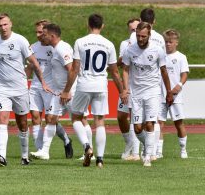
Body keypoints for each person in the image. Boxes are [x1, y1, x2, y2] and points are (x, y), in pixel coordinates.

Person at [0, 13, 51, 167]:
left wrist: (43, 82)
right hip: (1, 89)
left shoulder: (20, 40)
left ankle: (24, 156)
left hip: (20, 89)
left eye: (5, 24)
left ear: (11, 24)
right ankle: (2, 156)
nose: (3, 28)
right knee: (2, 120)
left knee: (22, 124)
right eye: (0, 26)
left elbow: (35, 63)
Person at [60, 14, 127, 168]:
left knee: (76, 117)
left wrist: (66, 90)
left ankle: (86, 146)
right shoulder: (108, 44)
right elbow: (115, 72)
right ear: (102, 26)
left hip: (84, 85)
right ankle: (100, 159)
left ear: (88, 24)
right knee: (100, 121)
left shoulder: (80, 42)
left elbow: (75, 69)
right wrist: (122, 91)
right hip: (101, 85)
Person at [122, 22, 173, 167]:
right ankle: (149, 146)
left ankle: (148, 156)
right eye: (138, 35)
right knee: (138, 128)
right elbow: (125, 69)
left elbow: (164, 71)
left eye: (143, 36)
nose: (140, 38)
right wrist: (125, 88)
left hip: (152, 91)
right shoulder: (129, 50)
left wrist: (168, 92)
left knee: (150, 123)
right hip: (136, 93)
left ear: (149, 35)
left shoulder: (157, 50)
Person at [27, 21, 73, 159]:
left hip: (51, 87)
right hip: (35, 86)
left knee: (50, 118)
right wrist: (24, 82)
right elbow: (30, 68)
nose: (38, 35)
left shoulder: (55, 47)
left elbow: (67, 67)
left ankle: (66, 139)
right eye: (36, 32)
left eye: (41, 32)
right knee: (35, 117)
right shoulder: (33, 47)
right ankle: (40, 149)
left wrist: (66, 88)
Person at [157, 29, 189, 159]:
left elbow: (184, 74)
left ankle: (183, 149)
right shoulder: (160, 55)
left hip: (175, 96)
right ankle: (158, 151)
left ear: (176, 43)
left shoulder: (181, 57)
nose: (168, 44)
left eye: (170, 42)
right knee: (159, 123)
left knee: (178, 123)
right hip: (160, 95)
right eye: (166, 42)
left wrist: (179, 85)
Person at [117, 18, 141, 161]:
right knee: (121, 116)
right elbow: (120, 63)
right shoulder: (125, 44)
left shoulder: (147, 45)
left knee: (136, 117)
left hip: (139, 86)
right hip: (127, 85)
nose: (134, 31)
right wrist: (128, 51)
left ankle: (138, 151)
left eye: (136, 28)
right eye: (132, 29)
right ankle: (129, 143)